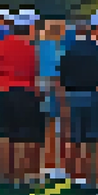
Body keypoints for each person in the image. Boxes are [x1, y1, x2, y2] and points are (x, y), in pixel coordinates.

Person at [60, 15, 98, 195]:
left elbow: (62, 77)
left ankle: (81, 179)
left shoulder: (69, 51)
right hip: (95, 96)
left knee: (79, 141)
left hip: (74, 96)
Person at [0, 12, 41, 187]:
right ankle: (22, 176)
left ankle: (6, 176)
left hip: (5, 91)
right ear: (29, 27)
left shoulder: (1, 45)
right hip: (25, 92)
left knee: (6, 135)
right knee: (24, 136)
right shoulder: (30, 48)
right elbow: (36, 71)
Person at [36, 15, 68, 182]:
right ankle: (57, 166)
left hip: (41, 89)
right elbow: (55, 74)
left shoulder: (41, 46)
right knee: (57, 130)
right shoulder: (55, 48)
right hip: (54, 90)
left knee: (47, 129)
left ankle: (46, 165)